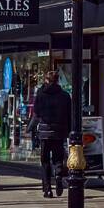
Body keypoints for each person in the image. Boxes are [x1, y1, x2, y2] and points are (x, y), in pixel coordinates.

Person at [32, 70, 71, 198]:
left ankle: (47, 189)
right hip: (59, 131)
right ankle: (59, 176)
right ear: (58, 80)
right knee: (58, 158)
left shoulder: (41, 94)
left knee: (45, 160)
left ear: (46, 80)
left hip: (45, 131)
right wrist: (68, 130)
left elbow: (36, 112)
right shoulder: (65, 96)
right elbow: (69, 114)